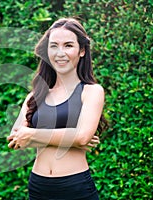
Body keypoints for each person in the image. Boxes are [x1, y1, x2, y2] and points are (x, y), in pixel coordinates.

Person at [7, 18, 108, 200]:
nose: (60, 53)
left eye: (68, 45)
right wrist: (70, 137)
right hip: (38, 186)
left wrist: (32, 134)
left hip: (74, 187)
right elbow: (16, 139)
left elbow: (82, 137)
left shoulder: (91, 91)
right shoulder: (35, 95)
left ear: (82, 51)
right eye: (54, 46)